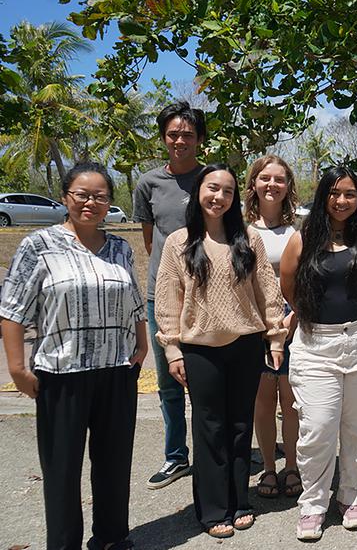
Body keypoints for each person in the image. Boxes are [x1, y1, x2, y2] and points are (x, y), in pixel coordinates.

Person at [1, 163, 147, 550]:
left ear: (109, 203)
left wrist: (142, 344)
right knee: (62, 470)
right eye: (82, 194)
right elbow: (12, 308)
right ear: (66, 197)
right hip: (62, 373)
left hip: (116, 370)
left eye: (100, 196)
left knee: (114, 465)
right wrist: (17, 367)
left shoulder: (119, 247)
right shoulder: (39, 245)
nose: (90, 203)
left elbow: (133, 303)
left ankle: (112, 538)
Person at [155, 163, 287, 538]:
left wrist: (276, 336)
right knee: (210, 427)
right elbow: (168, 298)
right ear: (199, 192)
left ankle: (239, 500)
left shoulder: (248, 239)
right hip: (200, 349)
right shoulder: (179, 242)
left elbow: (267, 291)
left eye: (227, 191)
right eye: (213, 188)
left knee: (240, 424)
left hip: (245, 344)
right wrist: (172, 349)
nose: (219, 197)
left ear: (235, 198)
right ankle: (213, 509)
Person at [279, 166, 357, 541]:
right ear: (322, 197)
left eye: (349, 193)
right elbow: (289, 286)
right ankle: (313, 504)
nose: (342, 201)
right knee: (317, 428)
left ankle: (351, 497)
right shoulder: (303, 239)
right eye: (334, 193)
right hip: (317, 345)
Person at [133, 101, 206, 489]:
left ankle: (224, 450)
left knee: (211, 380)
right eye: (173, 134)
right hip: (162, 297)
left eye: (188, 135)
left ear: (199, 139)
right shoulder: (148, 183)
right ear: (163, 137)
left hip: (210, 297)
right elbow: (152, 241)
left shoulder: (211, 178)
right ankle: (176, 456)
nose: (180, 140)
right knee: (169, 382)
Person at [244, 155, 302, 499]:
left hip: (294, 323)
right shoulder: (240, 230)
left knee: (291, 399)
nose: (272, 185)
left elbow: (308, 277)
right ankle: (268, 468)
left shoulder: (299, 229)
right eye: (265, 178)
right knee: (263, 400)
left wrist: (296, 315)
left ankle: (292, 466)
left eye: (279, 179)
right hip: (253, 326)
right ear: (253, 184)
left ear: (288, 186)